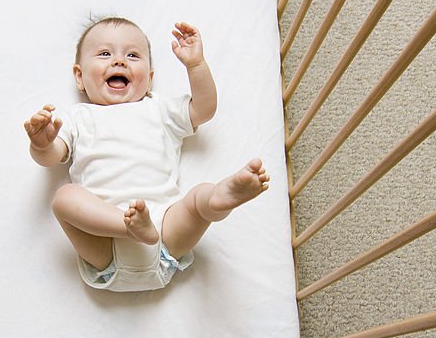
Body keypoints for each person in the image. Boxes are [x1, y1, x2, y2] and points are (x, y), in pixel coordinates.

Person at [24, 17, 269, 291]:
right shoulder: (78, 117)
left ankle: (218, 200)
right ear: (79, 77)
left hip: (164, 231)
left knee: (198, 197)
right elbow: (53, 156)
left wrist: (195, 65)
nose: (119, 61)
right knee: (64, 198)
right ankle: (127, 225)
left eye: (132, 55)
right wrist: (42, 145)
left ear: (150, 78)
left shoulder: (159, 110)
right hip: (105, 244)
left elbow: (204, 109)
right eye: (105, 53)